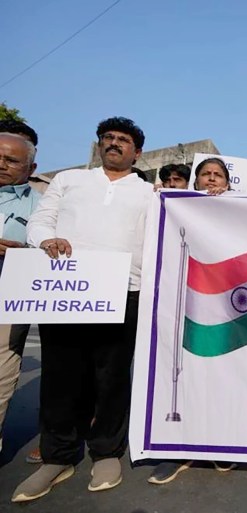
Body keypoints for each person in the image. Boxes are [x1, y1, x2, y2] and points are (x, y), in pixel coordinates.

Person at [13, 117, 154, 502]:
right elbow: (39, 222)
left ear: (136, 152)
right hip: (66, 289)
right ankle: (57, 457)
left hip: (125, 291)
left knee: (112, 378)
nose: (114, 144)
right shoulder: (69, 181)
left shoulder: (148, 193)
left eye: (123, 140)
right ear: (97, 146)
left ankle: (106, 452)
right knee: (61, 377)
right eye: (107, 138)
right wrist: (47, 239)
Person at [147, 156, 233, 486]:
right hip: (179, 302)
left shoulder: (239, 206)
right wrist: (159, 201)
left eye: (218, 175)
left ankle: (219, 445)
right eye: (205, 175)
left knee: (219, 376)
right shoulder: (173, 205)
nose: (211, 180)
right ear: (194, 181)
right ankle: (178, 449)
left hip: (223, 307)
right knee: (180, 376)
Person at [0, 133, 40, 453]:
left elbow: (52, 245)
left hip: (10, 296)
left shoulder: (41, 204)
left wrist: (26, 250)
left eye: (11, 160)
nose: (1, 165)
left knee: (2, 371)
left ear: (30, 168)